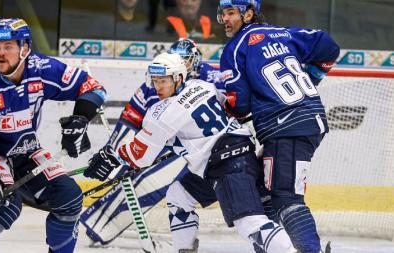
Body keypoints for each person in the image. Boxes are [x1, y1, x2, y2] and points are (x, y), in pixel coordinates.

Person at [83, 52, 296, 253]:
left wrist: (112, 156)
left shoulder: (163, 113)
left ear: (178, 77)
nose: (158, 87)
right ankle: (184, 249)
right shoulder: (202, 85)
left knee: (248, 223)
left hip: (227, 164)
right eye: (155, 81)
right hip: (235, 155)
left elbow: (141, 156)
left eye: (163, 81)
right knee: (178, 194)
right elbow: (228, 110)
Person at [0, 18, 106, 253]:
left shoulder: (42, 69)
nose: (0, 54)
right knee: (2, 206)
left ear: (25, 48)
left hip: (21, 149)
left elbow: (93, 88)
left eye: (8, 47)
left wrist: (80, 120)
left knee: (69, 197)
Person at [217, 0, 340, 252]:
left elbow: (238, 104)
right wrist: (314, 77)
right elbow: (329, 46)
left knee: (286, 197)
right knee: (263, 190)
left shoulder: (235, 48)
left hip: (287, 126)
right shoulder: (285, 33)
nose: (225, 19)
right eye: (223, 14)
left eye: (231, 13)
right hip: (304, 120)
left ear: (248, 14)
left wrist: (225, 108)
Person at [80, 39, 224, 247]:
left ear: (195, 60)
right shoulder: (157, 80)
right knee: (134, 179)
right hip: (156, 141)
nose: (182, 64)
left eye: (186, 60)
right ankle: (100, 225)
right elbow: (131, 118)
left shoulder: (209, 77)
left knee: (171, 189)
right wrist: (113, 153)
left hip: (196, 149)